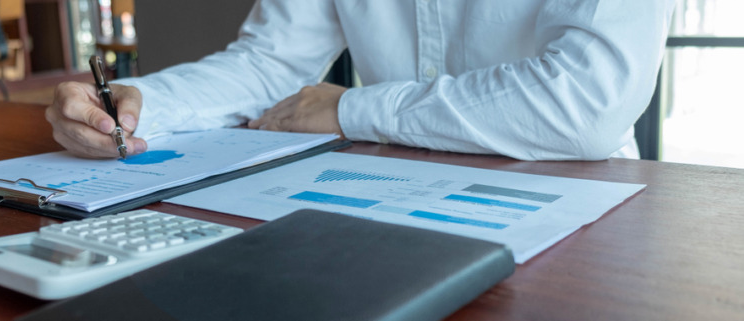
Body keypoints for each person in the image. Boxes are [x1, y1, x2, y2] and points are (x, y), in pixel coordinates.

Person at [46, 0, 677, 160]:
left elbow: (586, 104)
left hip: (575, 197)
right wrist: (141, 103)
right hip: (392, 188)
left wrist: (352, 110)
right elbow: (268, 63)